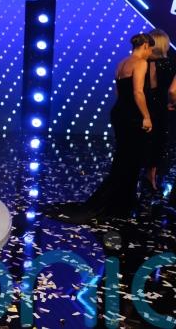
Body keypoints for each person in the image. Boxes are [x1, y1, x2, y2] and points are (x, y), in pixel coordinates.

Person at [49, 33, 155, 224]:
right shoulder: (140, 63)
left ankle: (120, 203)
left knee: (123, 159)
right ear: (146, 46)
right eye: (151, 50)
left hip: (119, 112)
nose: (150, 54)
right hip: (133, 115)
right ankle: (119, 205)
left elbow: (118, 91)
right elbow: (138, 92)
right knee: (130, 161)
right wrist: (146, 116)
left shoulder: (122, 63)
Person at [142, 29, 176, 190]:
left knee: (150, 142)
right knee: (162, 144)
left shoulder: (141, 63)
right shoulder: (170, 63)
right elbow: (172, 91)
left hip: (146, 107)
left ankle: (149, 177)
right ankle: (154, 179)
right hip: (164, 108)